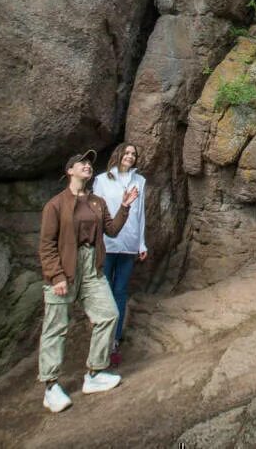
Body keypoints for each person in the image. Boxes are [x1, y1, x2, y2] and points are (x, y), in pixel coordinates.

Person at [38, 150, 140, 413]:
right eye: (82, 163)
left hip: (92, 266)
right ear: (69, 170)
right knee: (55, 328)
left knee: (108, 315)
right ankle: (51, 387)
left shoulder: (97, 202)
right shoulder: (55, 205)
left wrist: (125, 207)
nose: (87, 166)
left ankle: (94, 374)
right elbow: (47, 245)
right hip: (64, 268)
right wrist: (57, 276)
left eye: (89, 164)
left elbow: (112, 230)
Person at [92, 142, 148, 368]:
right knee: (104, 292)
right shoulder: (102, 179)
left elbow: (140, 212)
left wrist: (142, 243)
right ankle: (101, 338)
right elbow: (96, 211)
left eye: (133, 154)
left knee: (120, 292)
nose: (130, 156)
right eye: (126, 152)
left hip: (129, 242)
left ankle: (114, 340)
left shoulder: (140, 181)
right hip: (107, 242)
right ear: (118, 154)